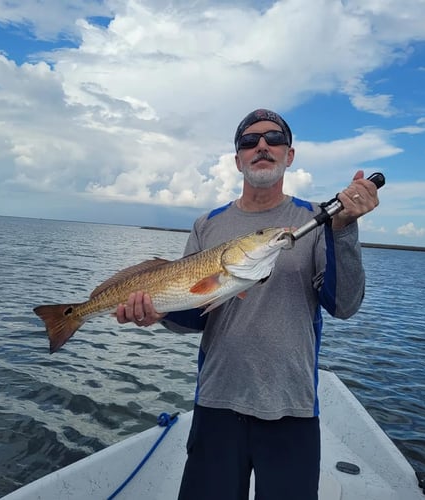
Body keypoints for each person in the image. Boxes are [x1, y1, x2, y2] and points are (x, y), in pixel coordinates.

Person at [116, 109, 379, 500]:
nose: (261, 146)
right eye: (248, 141)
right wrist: (158, 313)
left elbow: (343, 305)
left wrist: (343, 230)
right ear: (238, 158)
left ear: (289, 155)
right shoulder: (208, 224)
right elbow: (196, 313)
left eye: (274, 139)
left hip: (291, 405)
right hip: (217, 400)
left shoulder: (315, 220)